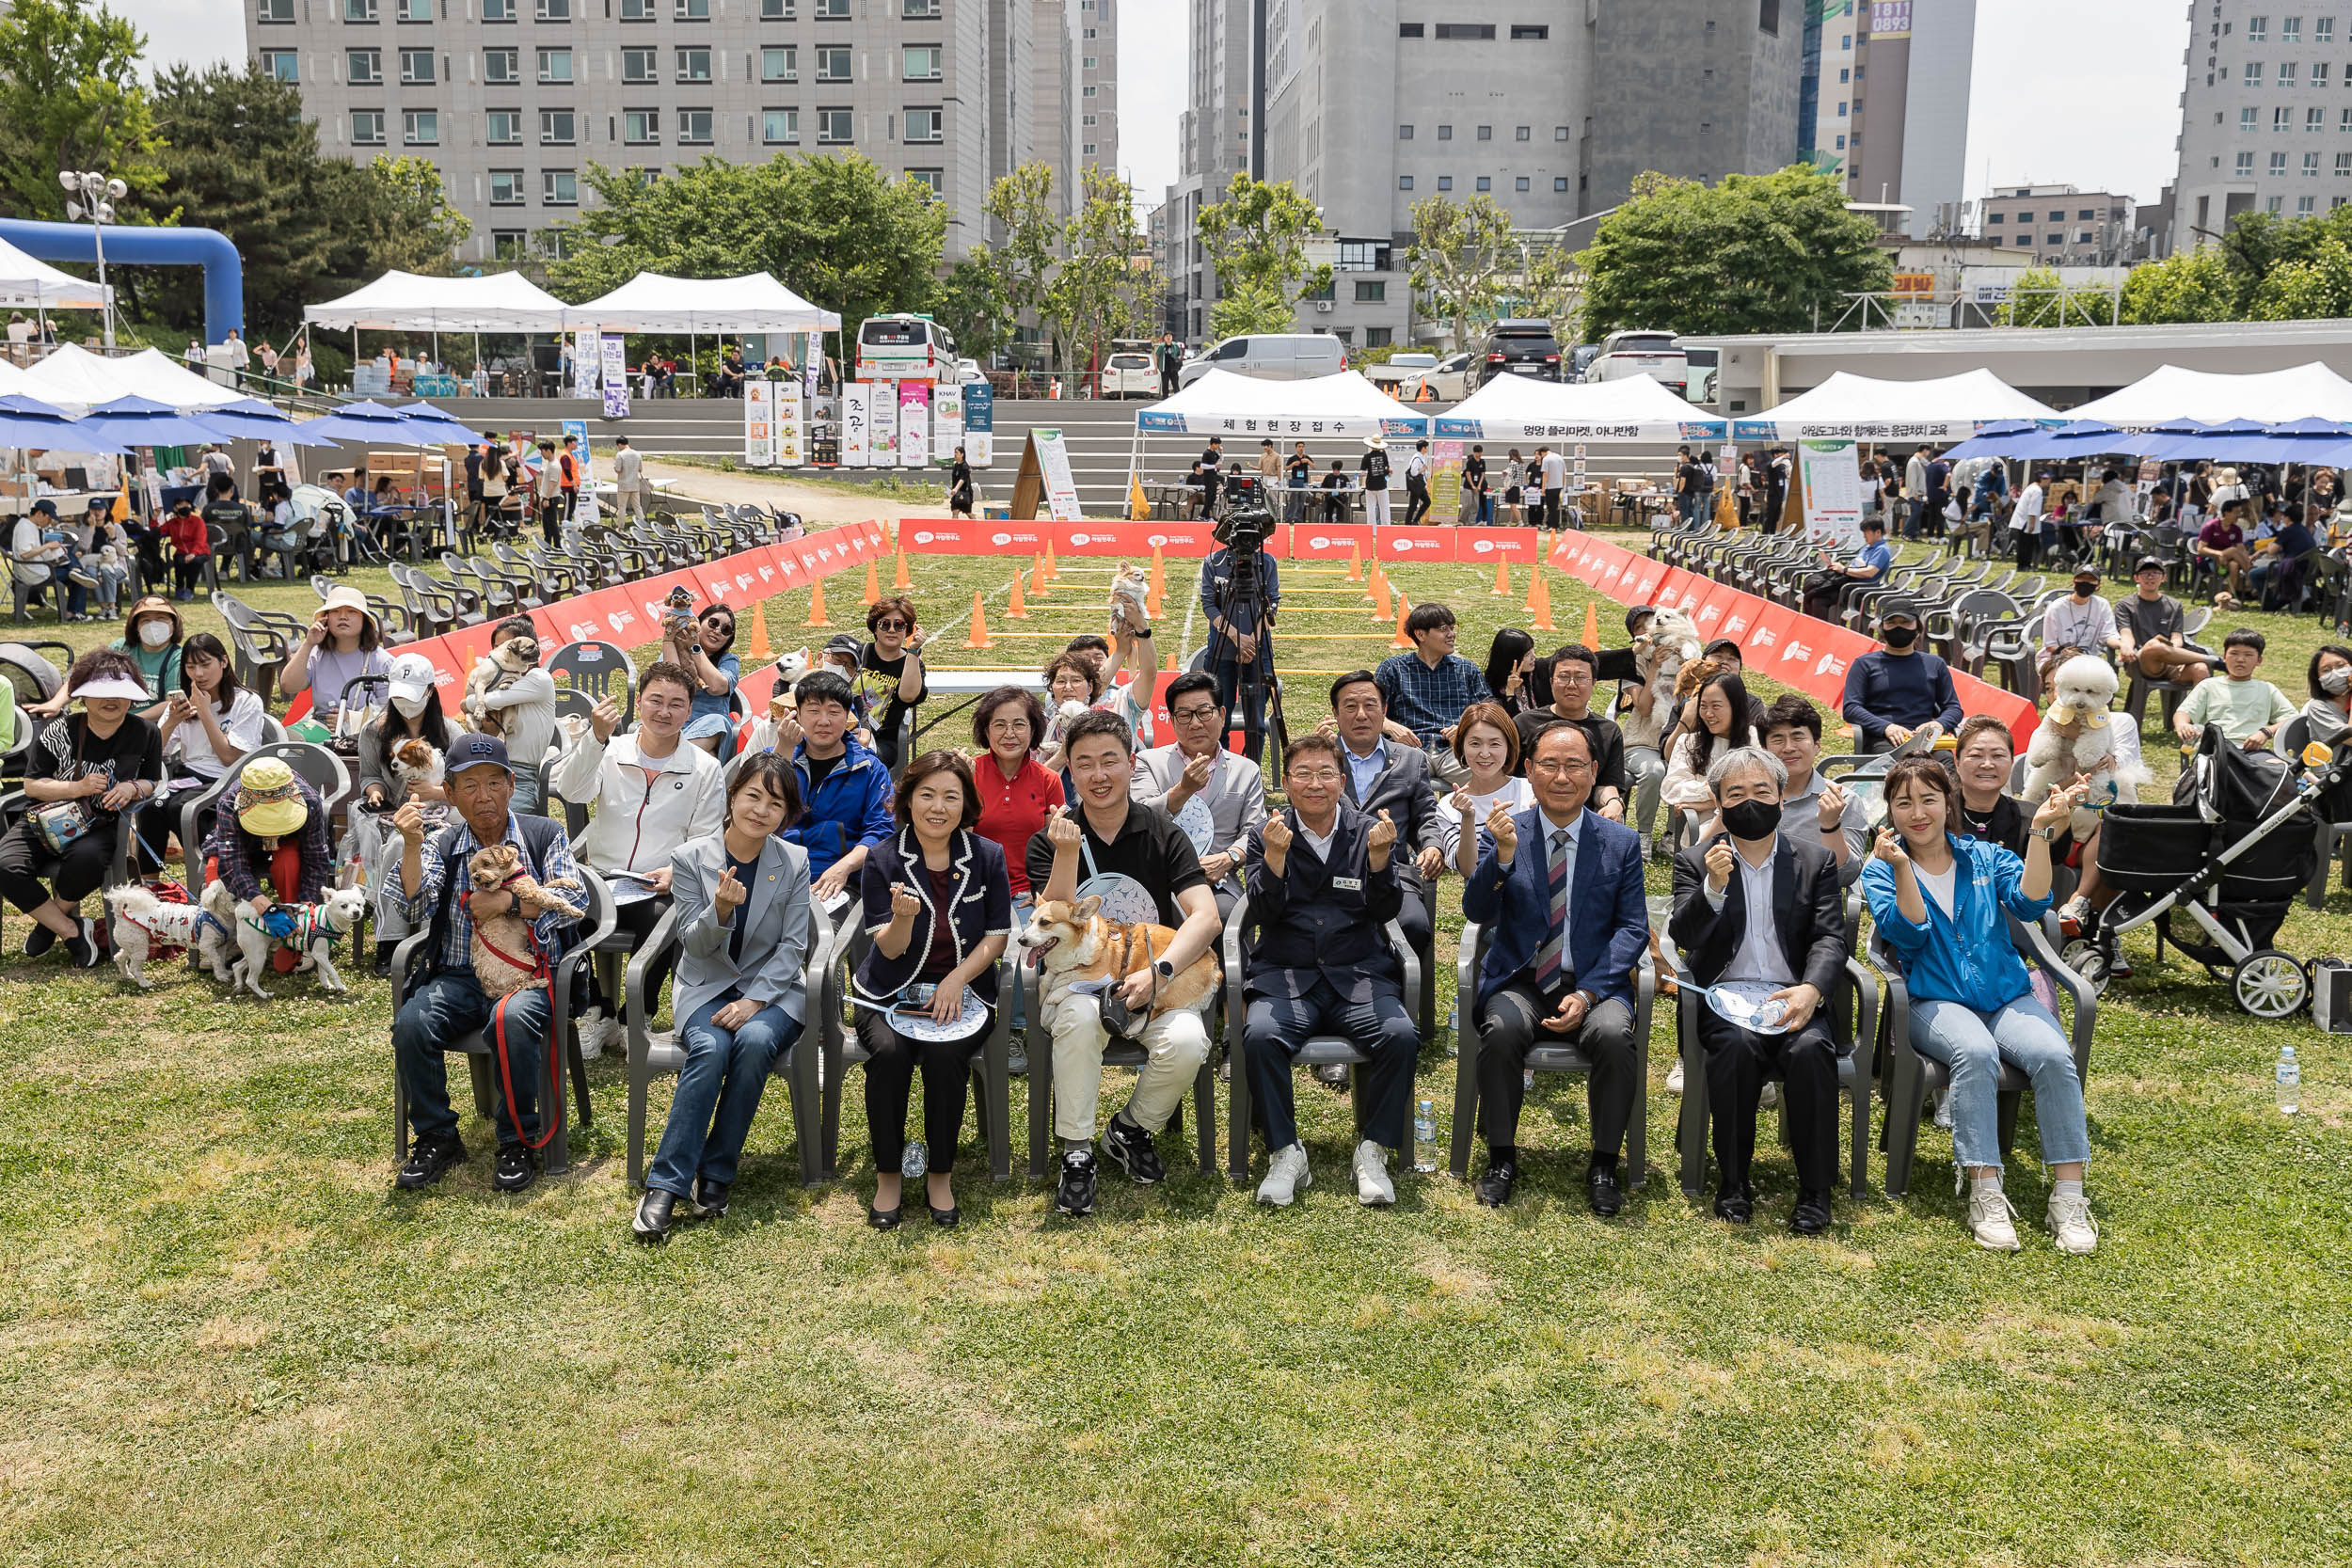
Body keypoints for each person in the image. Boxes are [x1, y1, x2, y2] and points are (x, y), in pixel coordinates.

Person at [1864, 757, 2098, 1254]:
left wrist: (2038, 833)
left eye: (1928, 799)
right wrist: (1903, 868)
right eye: (1903, 803)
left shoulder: (1985, 857)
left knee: (2055, 1056)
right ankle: (1985, 1190)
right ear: (1891, 811)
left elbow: (2033, 902)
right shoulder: (1881, 869)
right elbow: (1907, 931)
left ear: (1949, 802)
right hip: (1934, 1002)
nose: (1917, 812)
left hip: (2005, 996)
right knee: (1974, 1052)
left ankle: (2070, 1197)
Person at [1026, 711, 1220, 1216]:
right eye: (1084, 763)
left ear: (1131, 764)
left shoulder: (1163, 832)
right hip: (1074, 986)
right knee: (1080, 1015)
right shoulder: (1047, 838)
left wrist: (1161, 973)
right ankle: (1077, 1151)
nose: (1098, 774)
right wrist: (1066, 852)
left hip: (1151, 983)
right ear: (1068, 768)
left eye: (1109, 760)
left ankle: (1129, 1129)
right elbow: (1051, 916)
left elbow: (1206, 917)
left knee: (1187, 1041)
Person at [386, 736, 586, 1196]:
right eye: (469, 786)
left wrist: (505, 903)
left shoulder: (543, 834)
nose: (484, 796)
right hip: (457, 974)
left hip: (526, 975)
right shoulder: (443, 842)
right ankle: (438, 1136)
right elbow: (415, 907)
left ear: (512, 785)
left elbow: (573, 896)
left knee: (509, 1021)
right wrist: (411, 847)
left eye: (494, 783)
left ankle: (517, 1140)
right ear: (450, 794)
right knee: (412, 1024)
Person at [1461, 722, 1647, 1212]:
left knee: (1612, 1036)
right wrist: (1500, 858)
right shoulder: (1505, 830)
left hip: (1595, 986)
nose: (1561, 776)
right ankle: (1501, 1155)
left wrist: (1588, 994)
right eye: (1549, 764)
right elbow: (1477, 911)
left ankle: (1605, 1162)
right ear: (1529, 770)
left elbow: (1631, 929)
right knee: (1500, 1031)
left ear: (1592, 773)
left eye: (1574, 766)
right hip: (1522, 980)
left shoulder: (1619, 842)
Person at [633, 752, 814, 1242]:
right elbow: (693, 943)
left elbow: (795, 945)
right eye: (752, 795)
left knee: (755, 1041)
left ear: (786, 813)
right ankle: (665, 1186)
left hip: (774, 993)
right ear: (732, 797)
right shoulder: (691, 857)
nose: (761, 810)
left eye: (775, 803)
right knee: (711, 1048)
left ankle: (716, 1171)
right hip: (706, 986)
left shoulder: (794, 861)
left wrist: (756, 1001)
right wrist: (719, 910)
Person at [1668, 746, 1847, 1233]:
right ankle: (1733, 1180)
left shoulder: (1814, 861)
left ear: (1781, 800)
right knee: (1736, 1049)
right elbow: (1685, 938)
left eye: (1762, 791)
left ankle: (1815, 1190)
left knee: (1811, 1050)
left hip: (1793, 997)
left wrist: (1811, 991)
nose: (1751, 802)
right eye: (1737, 794)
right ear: (1719, 804)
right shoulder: (1695, 861)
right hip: (1726, 1002)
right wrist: (1714, 887)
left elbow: (1830, 937)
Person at [1240, 733, 1420, 1207]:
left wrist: (1381, 861)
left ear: (1342, 781)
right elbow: (1262, 912)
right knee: (1259, 1036)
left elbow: (1385, 910)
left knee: (1400, 1035)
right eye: (1303, 774)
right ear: (1287, 782)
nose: (1314, 784)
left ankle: (1372, 1148)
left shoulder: (1367, 831)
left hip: (1357, 974)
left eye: (1325, 774)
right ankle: (1285, 1151)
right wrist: (1275, 859)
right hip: (1286, 975)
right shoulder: (1267, 833)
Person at [852, 752, 1012, 1229]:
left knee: (946, 1059)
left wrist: (957, 978)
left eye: (951, 796)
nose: (938, 807)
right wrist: (902, 917)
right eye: (927, 795)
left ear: (966, 803)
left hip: (965, 992)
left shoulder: (986, 856)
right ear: (907, 799)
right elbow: (892, 950)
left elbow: (998, 935)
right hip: (889, 992)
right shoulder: (883, 859)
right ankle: (888, 1174)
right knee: (889, 1052)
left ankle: (940, 1172)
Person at [550, 659, 724, 1053]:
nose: (664, 712)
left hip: (658, 883)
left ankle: (636, 1017)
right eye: (655, 701)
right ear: (639, 704)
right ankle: (596, 1011)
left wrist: (674, 870)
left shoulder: (704, 768)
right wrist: (594, 738)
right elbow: (573, 791)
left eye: (676, 704)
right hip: (604, 877)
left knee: (664, 918)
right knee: (559, 911)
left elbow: (707, 837)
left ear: (689, 710)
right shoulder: (611, 750)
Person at [0, 650, 162, 966]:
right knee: (5, 865)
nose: (110, 700)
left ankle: (49, 926)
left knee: (87, 859)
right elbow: (33, 785)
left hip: (102, 824)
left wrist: (132, 787)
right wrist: (78, 788)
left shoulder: (145, 732)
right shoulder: (58, 731)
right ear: (83, 697)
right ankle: (72, 930)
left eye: (120, 693)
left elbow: (153, 781)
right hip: (45, 818)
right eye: (100, 693)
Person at [1328, 671, 1449, 997]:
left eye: (1370, 705)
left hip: (1392, 873)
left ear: (1384, 711)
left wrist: (1433, 845)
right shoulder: (1322, 758)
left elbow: (1426, 815)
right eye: (1350, 706)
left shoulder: (1410, 760)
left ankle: (1392, 995)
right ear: (1336, 715)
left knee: (1413, 924)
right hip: (1330, 871)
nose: (1361, 715)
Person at [1130, 670, 1267, 924]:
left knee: (1226, 916)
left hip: (1217, 882)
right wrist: (1182, 791)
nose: (1195, 723)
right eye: (1184, 715)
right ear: (1172, 720)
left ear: (1222, 715)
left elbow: (1255, 831)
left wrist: (1228, 858)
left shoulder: (1245, 770)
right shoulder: (1148, 762)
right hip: (1159, 879)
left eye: (1204, 712)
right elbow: (1139, 818)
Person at [355, 653, 455, 974]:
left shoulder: (451, 731)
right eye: (397, 696)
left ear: (429, 691)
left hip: (441, 818)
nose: (403, 703)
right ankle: (390, 943)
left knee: (422, 846)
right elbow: (369, 775)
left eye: (410, 696)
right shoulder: (375, 730)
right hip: (390, 818)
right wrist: (375, 792)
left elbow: (465, 785)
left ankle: (428, 940)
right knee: (397, 845)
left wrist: (437, 792)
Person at [143, 633, 264, 871]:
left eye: (205, 664)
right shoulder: (182, 703)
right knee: (151, 805)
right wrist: (171, 722)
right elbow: (153, 755)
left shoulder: (247, 701)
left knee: (181, 807)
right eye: (191, 667)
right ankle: (149, 882)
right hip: (188, 776)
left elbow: (229, 757)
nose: (198, 674)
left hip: (228, 779)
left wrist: (206, 713)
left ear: (224, 662)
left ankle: (206, 871)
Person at [202, 757, 335, 974]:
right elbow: (232, 864)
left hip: (289, 843)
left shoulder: (309, 800)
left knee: (289, 862)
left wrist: (306, 908)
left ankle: (298, 933)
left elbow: (315, 859)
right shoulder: (229, 802)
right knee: (215, 866)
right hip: (245, 845)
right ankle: (228, 936)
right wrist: (266, 907)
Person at [780, 670, 895, 909]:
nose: (823, 721)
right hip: (776, 873)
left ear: (847, 716)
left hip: (840, 881)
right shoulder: (779, 757)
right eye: (813, 711)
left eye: (834, 712)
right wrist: (781, 756)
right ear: (798, 715)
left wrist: (844, 867)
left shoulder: (870, 769)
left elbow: (881, 832)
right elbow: (751, 815)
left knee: (821, 938)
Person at [1375, 603, 1489, 785]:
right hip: (1411, 749)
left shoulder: (1467, 670)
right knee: (1396, 781)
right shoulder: (1393, 668)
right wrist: (1389, 726)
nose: (1452, 634)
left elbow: (1490, 710)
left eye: (1453, 628)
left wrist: (1467, 728)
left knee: (1489, 775)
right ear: (1421, 635)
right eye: (1444, 629)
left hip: (1456, 751)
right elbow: (1370, 709)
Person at [968, 686, 1058, 918]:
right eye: (999, 725)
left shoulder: (1048, 780)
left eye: (1019, 724)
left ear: (1033, 729)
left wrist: (1042, 890)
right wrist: (964, 788)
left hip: (1025, 897)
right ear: (986, 732)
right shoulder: (968, 773)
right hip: (974, 892)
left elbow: (1054, 848)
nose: (1009, 734)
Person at [1757, 693, 1867, 885]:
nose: (1789, 747)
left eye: (1798, 737)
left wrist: (1830, 825)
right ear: (1765, 750)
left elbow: (1846, 876)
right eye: (1777, 739)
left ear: (1817, 745)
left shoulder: (1843, 800)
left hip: (1811, 904)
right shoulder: (1747, 797)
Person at [1513, 644, 1628, 822]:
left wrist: (1613, 802)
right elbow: (1508, 777)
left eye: (1581, 677)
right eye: (1564, 677)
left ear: (1593, 683)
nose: (1572, 685)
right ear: (1551, 681)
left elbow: (1605, 784)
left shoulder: (1608, 731)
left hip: (1583, 820)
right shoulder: (1524, 723)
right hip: (1528, 815)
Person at [461, 618, 557, 812]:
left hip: (521, 777)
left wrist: (467, 703)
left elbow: (485, 701)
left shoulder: (538, 679)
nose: (502, 651)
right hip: (488, 768)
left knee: (496, 821)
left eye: (508, 646)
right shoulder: (498, 676)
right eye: (497, 646)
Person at [1198, 538, 1278, 767]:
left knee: (1257, 723)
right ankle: (1218, 771)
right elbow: (1209, 606)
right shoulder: (1214, 561)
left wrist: (1251, 640)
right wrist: (1236, 637)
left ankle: (1251, 772)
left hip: (1257, 652)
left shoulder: (1267, 562)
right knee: (1218, 718)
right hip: (1221, 652)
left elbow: (1272, 605)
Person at [1841, 608, 1963, 754]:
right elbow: (1851, 708)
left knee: (1945, 762)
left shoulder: (1935, 664)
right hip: (1882, 738)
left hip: (1926, 737)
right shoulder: (1864, 664)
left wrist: (1939, 724)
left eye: (1905, 622)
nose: (1898, 627)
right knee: (1901, 764)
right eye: (1891, 623)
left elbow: (1953, 708)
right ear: (1882, 629)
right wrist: (1886, 727)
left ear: (1917, 628)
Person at [1440, 701, 1535, 876]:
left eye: (1495, 744)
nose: (1484, 754)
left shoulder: (1532, 791)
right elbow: (1469, 871)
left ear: (1509, 746)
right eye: (1475, 744)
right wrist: (1467, 818)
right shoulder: (1449, 807)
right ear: (1461, 746)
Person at [280, 585, 389, 736]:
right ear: (326, 619)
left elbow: (393, 713)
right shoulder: (316, 653)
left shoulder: (381, 660)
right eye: (335, 611)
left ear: (364, 620)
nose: (343, 617)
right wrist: (308, 643)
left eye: (352, 611)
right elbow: (289, 686)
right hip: (320, 729)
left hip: (363, 737)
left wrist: (352, 718)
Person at [1662, 670, 1756, 840]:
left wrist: (1707, 801)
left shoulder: (1755, 740)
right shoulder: (1689, 742)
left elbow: (1759, 791)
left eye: (1716, 706)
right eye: (1703, 706)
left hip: (1750, 824)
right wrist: (1711, 791)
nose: (1708, 714)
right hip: (1704, 828)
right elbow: (1671, 789)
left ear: (1736, 706)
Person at [2176, 627, 2296, 751]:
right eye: (2234, 653)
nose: (2240, 659)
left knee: (2279, 768)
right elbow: (2184, 712)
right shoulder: (2208, 686)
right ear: (2224, 657)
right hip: (2216, 751)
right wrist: (2182, 724)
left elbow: (2293, 719)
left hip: (2252, 753)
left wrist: (2266, 732)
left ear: (2259, 660)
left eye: (2248, 655)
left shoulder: (2267, 689)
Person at [2116, 556, 2211, 690]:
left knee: (2201, 669)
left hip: (2170, 661)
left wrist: (2170, 650)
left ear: (2163, 578)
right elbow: (2126, 634)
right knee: (2153, 645)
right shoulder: (2125, 604)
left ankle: (2195, 711)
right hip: (2141, 661)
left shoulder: (2174, 605)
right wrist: (2126, 647)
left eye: (2155, 573)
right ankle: (2212, 660)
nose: (2150, 577)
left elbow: (2177, 638)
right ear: (2136, 578)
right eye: (2145, 573)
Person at [858, 594, 928, 770]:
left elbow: (908, 696)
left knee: (861, 758)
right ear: (875, 628)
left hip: (883, 740)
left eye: (899, 625)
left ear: (907, 630)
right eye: (884, 624)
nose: (891, 630)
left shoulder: (912, 663)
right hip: (847, 731)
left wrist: (913, 651)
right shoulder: (859, 653)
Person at [662, 599, 740, 755]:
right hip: (673, 722)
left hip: (707, 727)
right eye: (713, 623)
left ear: (728, 638)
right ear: (698, 622)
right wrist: (669, 641)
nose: (717, 630)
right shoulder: (675, 651)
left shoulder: (729, 661)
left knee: (718, 722)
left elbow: (717, 687)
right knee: (707, 757)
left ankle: (671, 759)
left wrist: (695, 648)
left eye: (725, 630)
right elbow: (672, 685)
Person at [2038, 566, 2123, 681]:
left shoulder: (2102, 605)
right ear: (2074, 582)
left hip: (2089, 660)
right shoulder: (2056, 608)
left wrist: (2122, 645)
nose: (2085, 583)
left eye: (2090, 580)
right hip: (2056, 658)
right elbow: (2050, 645)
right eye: (2081, 579)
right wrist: (2072, 655)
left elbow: (2108, 635)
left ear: (2098, 585)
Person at [1802, 514, 1892, 622]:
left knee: (1818, 599)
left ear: (1878, 532)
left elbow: (1870, 572)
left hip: (1858, 590)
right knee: (1812, 593)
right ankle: (1811, 627)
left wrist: (1844, 570)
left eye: (1866, 533)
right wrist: (1839, 567)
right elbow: (1856, 565)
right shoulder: (1867, 547)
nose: (1864, 536)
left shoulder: (1881, 550)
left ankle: (1821, 631)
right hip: (1848, 585)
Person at [2198, 497, 2254, 603]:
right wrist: (2219, 553)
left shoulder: (2236, 529)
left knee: (2234, 565)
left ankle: (2228, 597)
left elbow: (2241, 549)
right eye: (2236, 512)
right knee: (2232, 550)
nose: (2239, 515)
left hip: (2224, 566)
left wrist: (2248, 559)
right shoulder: (2210, 526)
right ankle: (2250, 574)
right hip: (2209, 562)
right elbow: (2200, 549)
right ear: (2226, 513)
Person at [157, 498, 209, 601]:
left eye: (187, 505)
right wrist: (154, 518)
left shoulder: (197, 521)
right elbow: (157, 532)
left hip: (200, 551)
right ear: (175, 508)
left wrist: (193, 553)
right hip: (181, 551)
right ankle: (179, 588)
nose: (186, 507)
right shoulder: (172, 523)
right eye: (182, 505)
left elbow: (201, 539)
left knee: (195, 562)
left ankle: (190, 589)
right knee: (179, 561)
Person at [1482, 626, 1536, 716]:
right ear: (1510, 659)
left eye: (1533, 650)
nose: (1533, 656)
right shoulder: (1491, 688)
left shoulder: (1536, 672)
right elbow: (1510, 721)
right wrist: (1510, 691)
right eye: (1527, 654)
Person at [531, 438, 564, 547]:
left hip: (551, 498)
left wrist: (547, 498)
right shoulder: (550, 464)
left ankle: (557, 545)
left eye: (542, 452)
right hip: (548, 497)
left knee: (551, 523)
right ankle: (547, 544)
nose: (542, 454)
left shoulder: (554, 465)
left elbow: (552, 484)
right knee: (547, 523)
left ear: (548, 450)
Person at [1359, 436, 1394, 527]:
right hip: (1382, 485)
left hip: (1370, 485)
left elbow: (1363, 472)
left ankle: (1371, 530)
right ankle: (1386, 529)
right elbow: (1387, 469)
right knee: (1385, 509)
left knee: (1371, 509)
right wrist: (1388, 472)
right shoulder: (1383, 455)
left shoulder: (1366, 457)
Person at [611, 434, 645, 524]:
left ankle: (621, 527)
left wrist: (614, 468)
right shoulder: (637, 454)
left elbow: (618, 469)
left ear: (619, 444)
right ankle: (643, 525)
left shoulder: (620, 455)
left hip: (624, 485)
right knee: (637, 506)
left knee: (622, 507)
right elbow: (640, 469)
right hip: (635, 484)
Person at [1191, 436, 1224, 519]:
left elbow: (1220, 461)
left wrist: (1221, 453)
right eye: (1217, 444)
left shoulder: (1214, 453)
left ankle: (1205, 515)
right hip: (1208, 477)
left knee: (1212, 497)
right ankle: (1203, 515)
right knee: (1210, 496)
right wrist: (1214, 466)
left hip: (1213, 476)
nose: (1218, 446)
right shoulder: (1207, 453)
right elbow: (1203, 465)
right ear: (1213, 444)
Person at [1403, 438, 1433, 527]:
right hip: (1416, 485)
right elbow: (1413, 472)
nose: (1427, 449)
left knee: (1425, 502)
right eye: (1426, 447)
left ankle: (1413, 521)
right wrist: (1422, 469)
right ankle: (1409, 523)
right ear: (1423, 448)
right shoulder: (1417, 458)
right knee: (1414, 505)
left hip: (1419, 485)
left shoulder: (1420, 457)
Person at [1284, 440, 1313, 524]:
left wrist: (1308, 462)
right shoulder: (1292, 458)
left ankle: (1298, 519)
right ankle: (1289, 518)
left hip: (1304, 482)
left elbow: (1314, 467)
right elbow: (1286, 469)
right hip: (1295, 482)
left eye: (1302, 447)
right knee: (1293, 501)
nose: (1301, 448)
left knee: (1301, 501)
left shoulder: (1306, 457)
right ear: (1296, 448)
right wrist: (1293, 464)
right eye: (1299, 447)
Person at [1460, 443, 1488, 525]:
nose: (1478, 454)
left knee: (1475, 506)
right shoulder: (1470, 462)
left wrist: (1479, 485)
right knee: (1467, 505)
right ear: (1474, 452)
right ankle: (1461, 521)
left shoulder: (1482, 462)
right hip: (1468, 487)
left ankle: (1471, 522)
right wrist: (1472, 485)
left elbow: (1482, 474)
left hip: (1477, 487)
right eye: (1477, 453)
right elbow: (1468, 474)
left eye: (1480, 453)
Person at [1320, 458, 1350, 524]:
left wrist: (1343, 491)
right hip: (1330, 497)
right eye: (1334, 470)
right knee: (1329, 506)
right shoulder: (1328, 477)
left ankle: (1339, 521)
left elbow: (1348, 487)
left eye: (1337, 470)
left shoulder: (1344, 478)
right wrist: (1324, 491)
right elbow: (1322, 487)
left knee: (1340, 505)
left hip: (1340, 497)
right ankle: (1328, 521)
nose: (1336, 471)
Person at [947, 445, 975, 517]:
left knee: (968, 513)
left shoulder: (965, 466)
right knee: (955, 512)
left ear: (962, 454)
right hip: (956, 494)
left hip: (965, 493)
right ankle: (955, 528)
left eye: (957, 452)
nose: (955, 454)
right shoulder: (956, 465)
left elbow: (962, 479)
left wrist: (956, 489)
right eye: (954, 452)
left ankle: (976, 525)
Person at [1155, 331, 1182, 397]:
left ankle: (1177, 399)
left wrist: (1177, 360)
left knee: (1175, 385)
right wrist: (1156, 367)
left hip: (1174, 369)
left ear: (1172, 337)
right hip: (1164, 369)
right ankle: (1165, 399)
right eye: (1167, 336)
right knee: (1165, 385)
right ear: (1164, 338)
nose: (1169, 337)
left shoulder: (1175, 345)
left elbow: (1179, 354)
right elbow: (1156, 356)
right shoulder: (1161, 346)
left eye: (1170, 336)